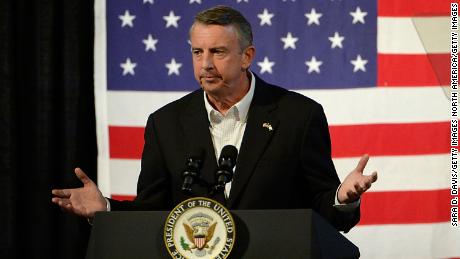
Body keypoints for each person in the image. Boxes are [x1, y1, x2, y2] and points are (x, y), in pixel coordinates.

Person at [52, 5, 377, 232]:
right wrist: (106, 209)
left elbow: (324, 215)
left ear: (247, 56)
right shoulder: (165, 123)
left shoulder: (298, 116)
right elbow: (152, 213)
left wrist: (341, 199)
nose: (205, 63)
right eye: (197, 52)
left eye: (218, 52)